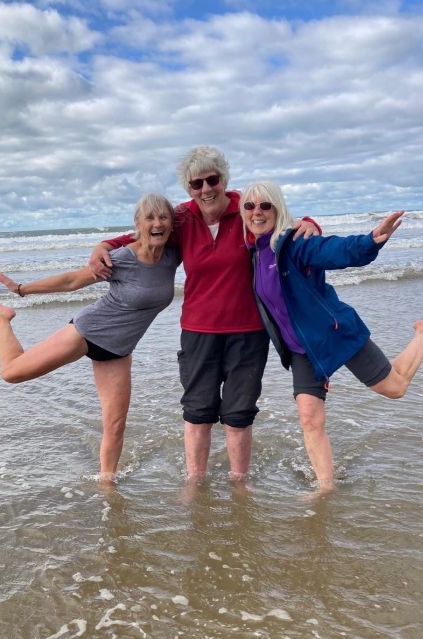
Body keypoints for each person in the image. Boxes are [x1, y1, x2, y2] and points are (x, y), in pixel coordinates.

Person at [89, 146, 321, 482]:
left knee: (239, 414)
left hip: (248, 332)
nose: (206, 189)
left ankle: (239, 482)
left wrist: (311, 223)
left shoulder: (246, 208)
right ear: (189, 189)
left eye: (212, 180)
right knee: (197, 413)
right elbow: (141, 236)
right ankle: (194, 482)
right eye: (196, 184)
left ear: (224, 180)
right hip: (198, 332)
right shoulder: (182, 218)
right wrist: (104, 246)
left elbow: (282, 221)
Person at [240, 181, 423, 495]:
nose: (257, 213)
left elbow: (333, 251)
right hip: (304, 350)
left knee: (396, 388)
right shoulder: (254, 251)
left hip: (334, 333)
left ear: (278, 208)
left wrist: (370, 242)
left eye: (265, 206)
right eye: (250, 206)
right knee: (310, 418)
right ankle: (326, 487)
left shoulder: (294, 243)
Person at [0, 193, 180, 484]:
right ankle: (2, 318)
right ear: (138, 224)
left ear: (171, 223)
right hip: (87, 331)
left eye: (163, 217)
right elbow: (72, 281)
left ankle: (107, 484)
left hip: (118, 350)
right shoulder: (121, 259)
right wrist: (21, 288)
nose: (157, 223)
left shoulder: (172, 256)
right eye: (150, 218)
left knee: (115, 425)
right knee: (11, 373)